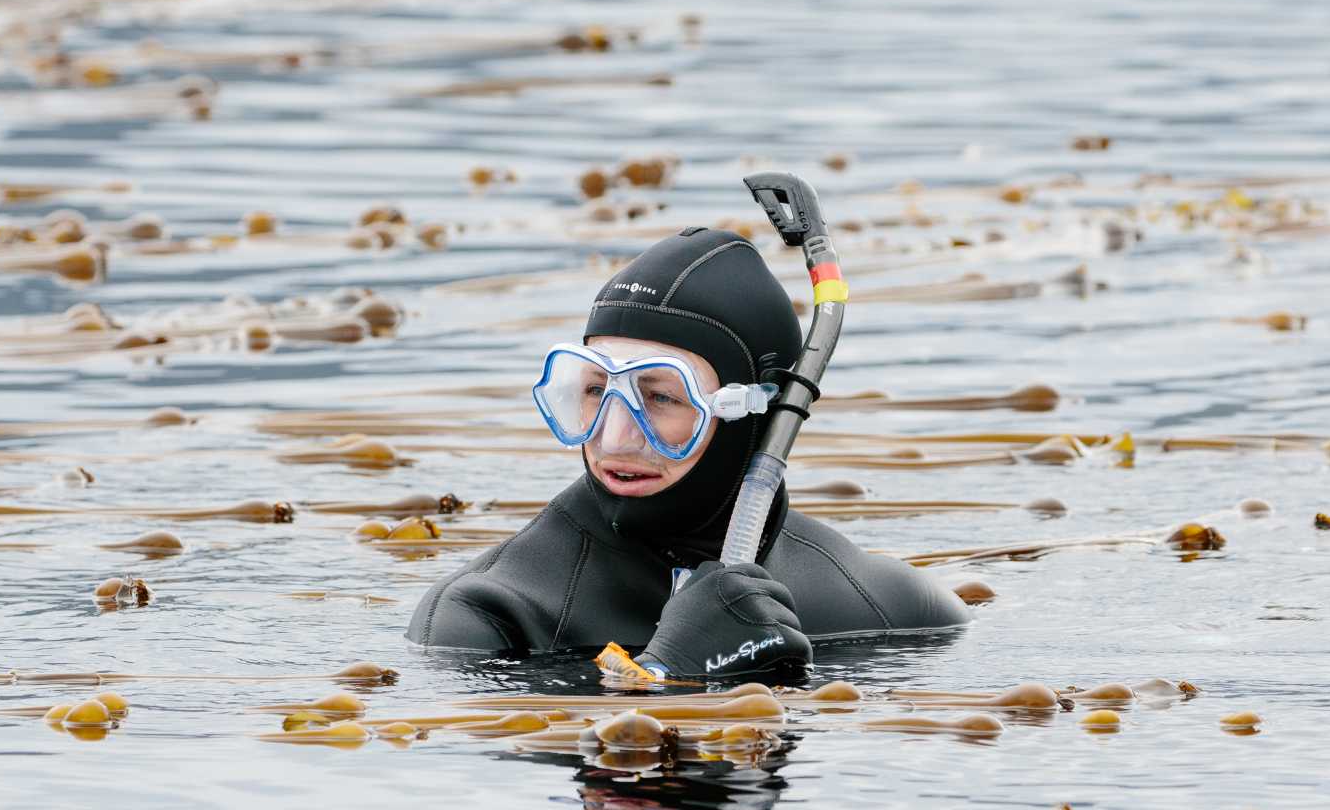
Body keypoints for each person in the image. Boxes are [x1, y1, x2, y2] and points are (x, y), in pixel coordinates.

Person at [406, 227, 971, 679]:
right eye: (597, 391)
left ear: (754, 412)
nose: (614, 438)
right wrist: (668, 677)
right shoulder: (485, 615)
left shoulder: (892, 608)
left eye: (660, 397)